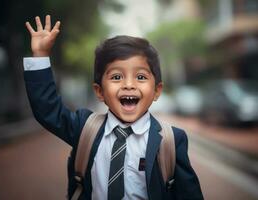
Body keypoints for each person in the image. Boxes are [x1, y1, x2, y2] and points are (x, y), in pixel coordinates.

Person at [23, 15, 204, 200]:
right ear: (99, 91)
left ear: (157, 91)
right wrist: (40, 55)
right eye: (116, 77)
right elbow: (47, 110)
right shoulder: (85, 128)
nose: (129, 85)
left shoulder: (171, 141)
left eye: (140, 77)